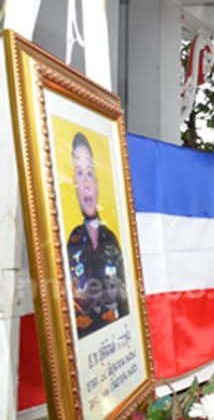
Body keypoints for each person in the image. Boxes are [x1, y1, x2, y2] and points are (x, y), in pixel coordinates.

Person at [68, 132, 129, 339]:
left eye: (90, 173)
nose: (86, 183)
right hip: (85, 341)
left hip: (117, 339)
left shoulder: (111, 238)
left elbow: (126, 294)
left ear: (97, 182)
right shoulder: (72, 240)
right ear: (75, 184)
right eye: (79, 173)